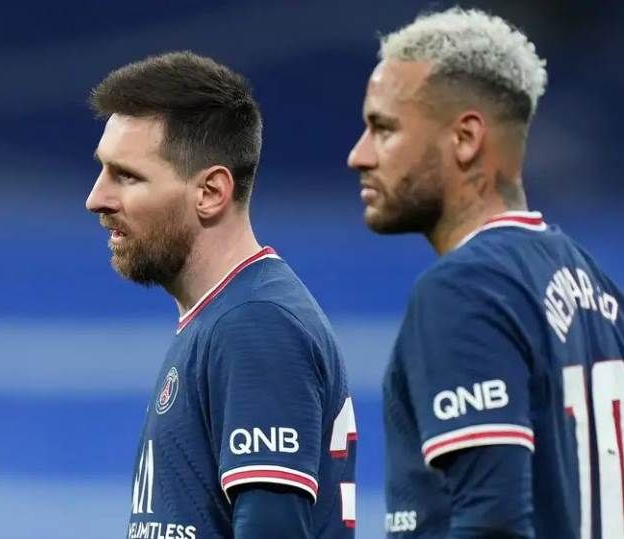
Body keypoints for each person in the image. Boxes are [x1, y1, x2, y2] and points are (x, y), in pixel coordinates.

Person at [347, 7, 624, 539]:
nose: (358, 155)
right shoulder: (598, 290)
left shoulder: (464, 291)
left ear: (466, 138)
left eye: (383, 128)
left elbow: (492, 523)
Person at [86, 51, 357, 538]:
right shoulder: (226, 316)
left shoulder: (255, 325)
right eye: (103, 171)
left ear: (211, 192)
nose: (96, 199)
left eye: (126, 176)